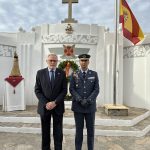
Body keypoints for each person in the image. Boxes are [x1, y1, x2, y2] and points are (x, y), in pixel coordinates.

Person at [34, 53, 67, 150]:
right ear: (47, 61)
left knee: (58, 132)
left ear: (57, 62)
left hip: (58, 107)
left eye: (54, 60)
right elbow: (37, 90)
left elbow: (64, 90)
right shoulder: (40, 73)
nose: (52, 62)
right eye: (50, 60)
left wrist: (55, 102)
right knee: (45, 132)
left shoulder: (61, 73)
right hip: (44, 108)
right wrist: (46, 103)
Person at [69, 54, 99, 150]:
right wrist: (80, 100)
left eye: (86, 60)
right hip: (78, 107)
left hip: (90, 107)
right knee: (79, 131)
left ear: (88, 62)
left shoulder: (94, 74)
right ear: (79, 62)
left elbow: (96, 89)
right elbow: (72, 89)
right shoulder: (74, 74)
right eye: (82, 60)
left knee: (91, 132)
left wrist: (89, 100)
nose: (84, 62)